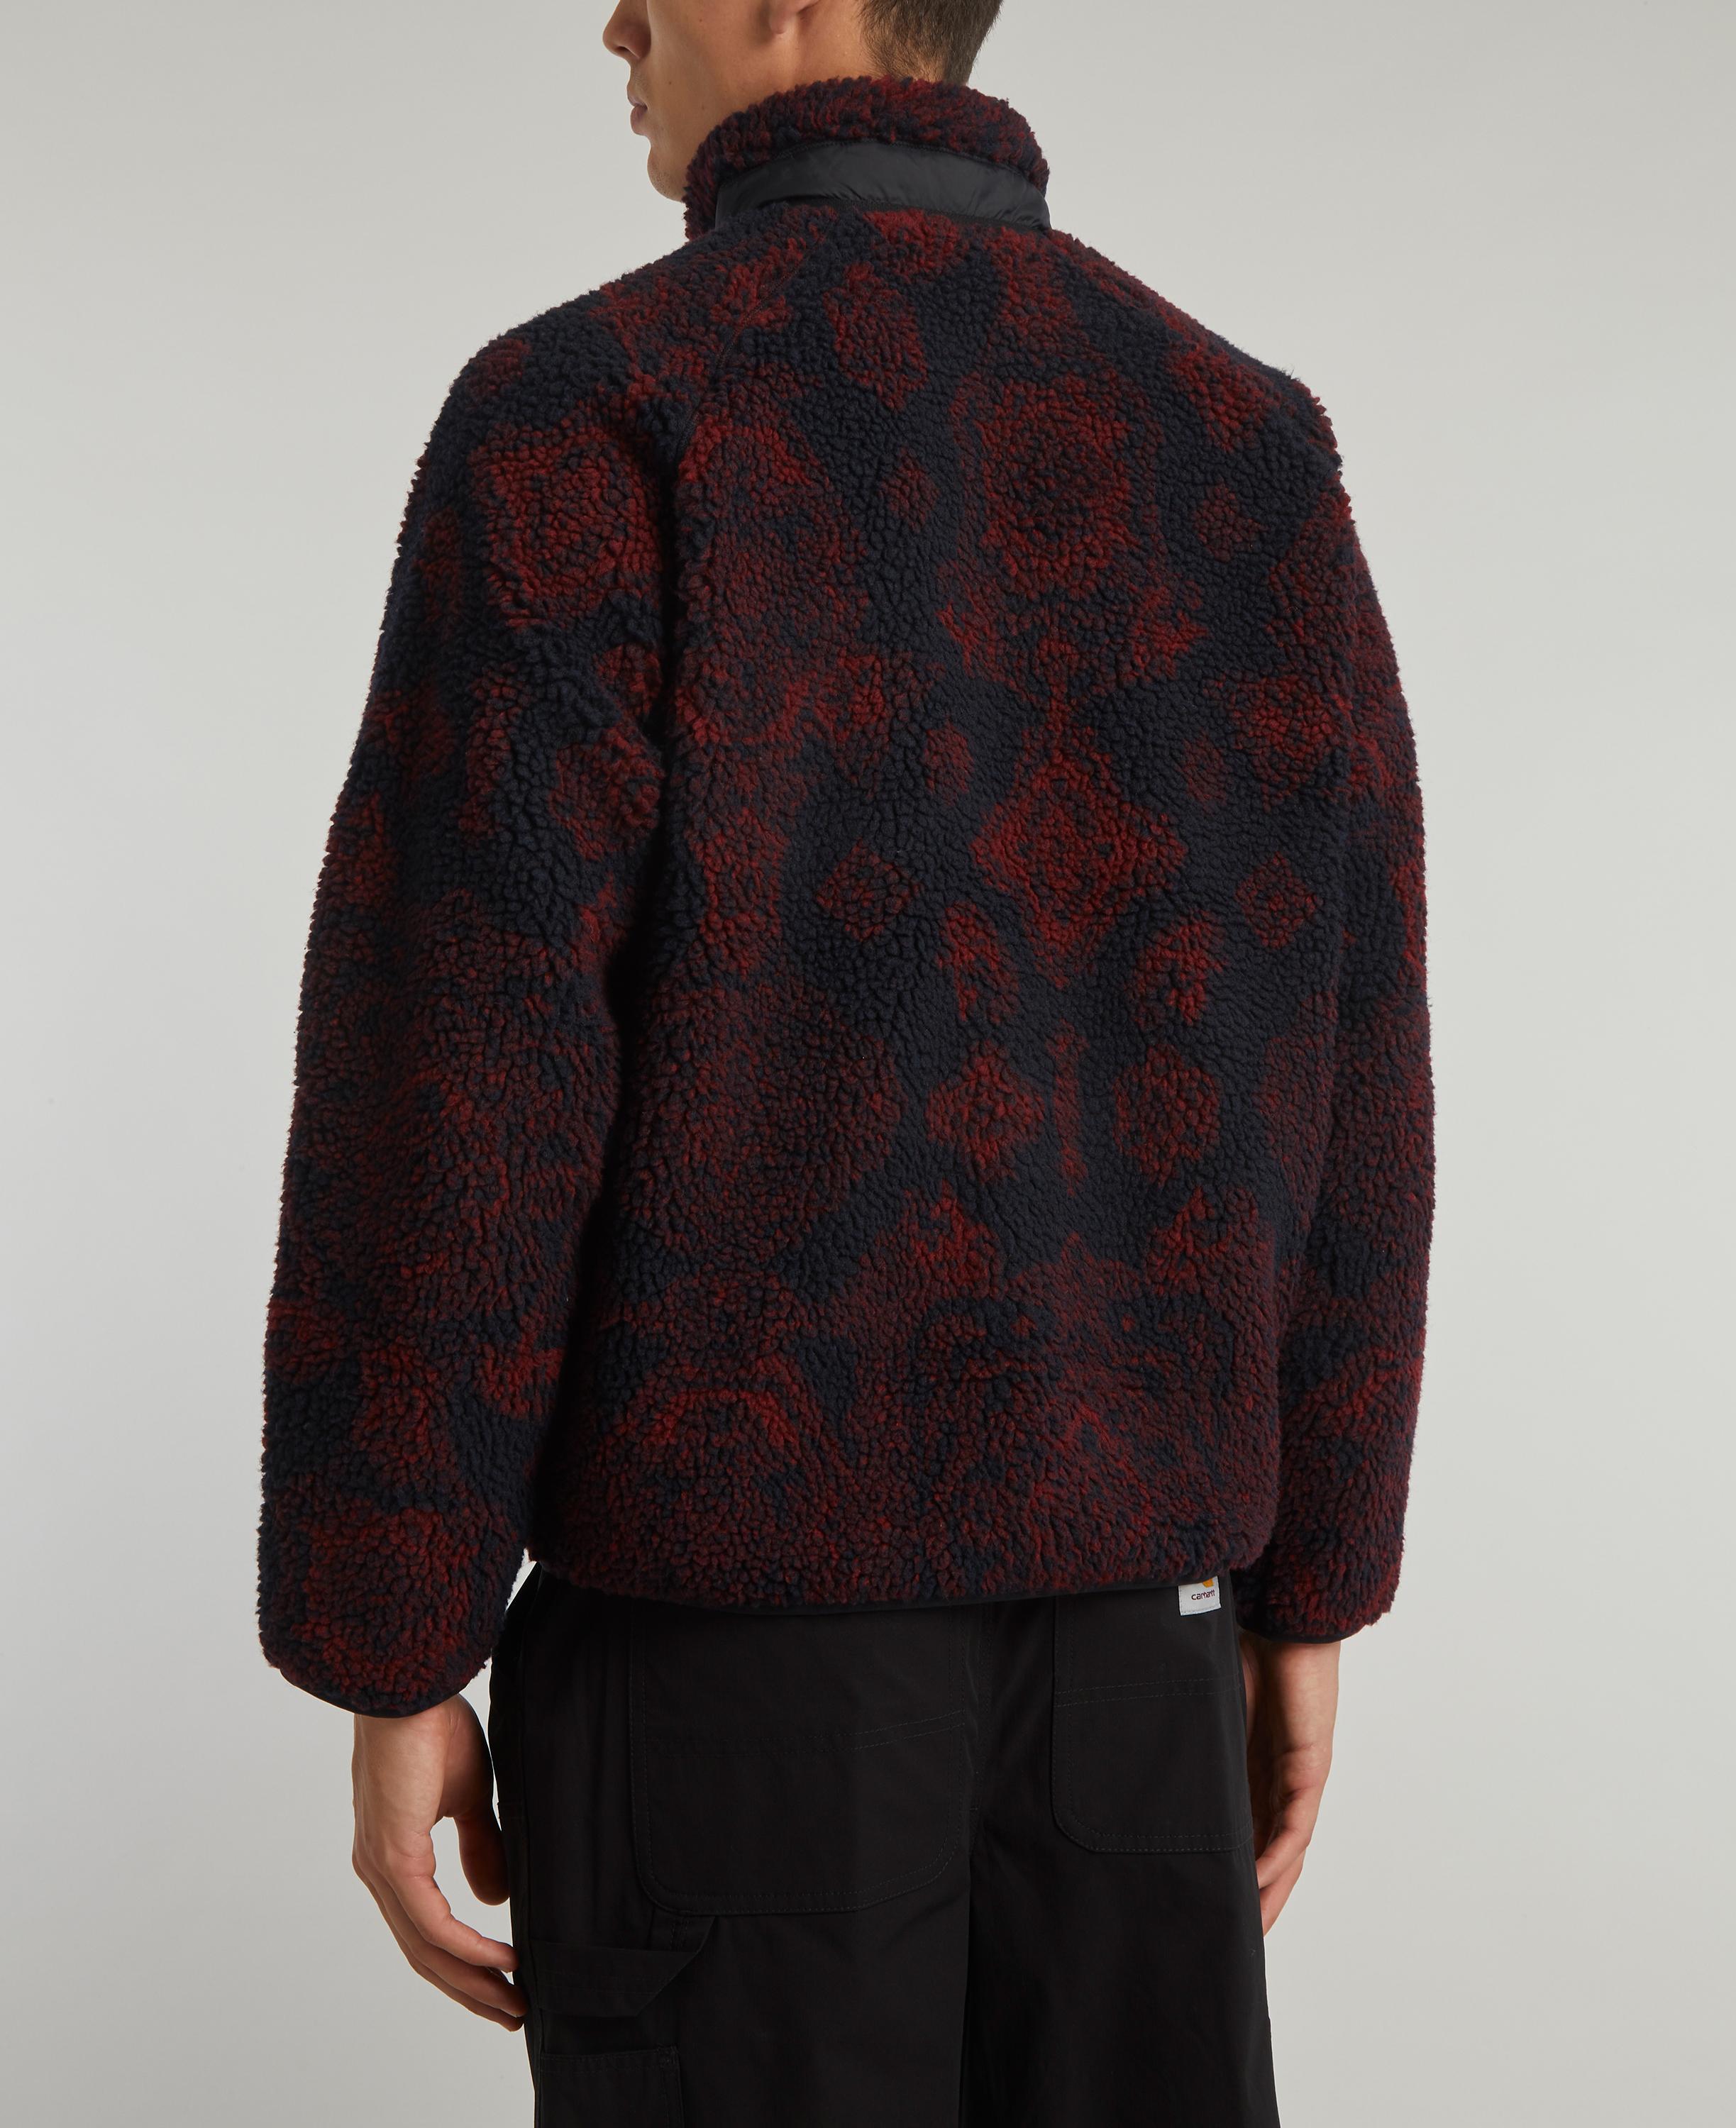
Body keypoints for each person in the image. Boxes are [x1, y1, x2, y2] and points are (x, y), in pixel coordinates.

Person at [258, 0, 1433, 2119]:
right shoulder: (1247, 442)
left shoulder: (592, 409)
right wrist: (1310, 1590)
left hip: (729, 1680)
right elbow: (1356, 1058)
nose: (614, 23)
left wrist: (395, 1632)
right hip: (1141, 1654)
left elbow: (456, 1075)